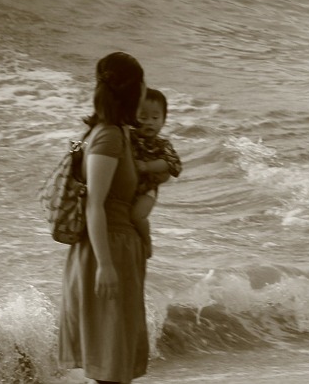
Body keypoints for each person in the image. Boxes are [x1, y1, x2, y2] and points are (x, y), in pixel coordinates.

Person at [58, 52, 150, 384]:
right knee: (110, 370)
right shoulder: (108, 136)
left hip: (116, 250)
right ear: (133, 89)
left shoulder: (118, 133)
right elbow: (93, 205)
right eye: (142, 83)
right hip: (105, 253)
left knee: (113, 369)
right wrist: (106, 264)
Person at [129, 88, 182, 258]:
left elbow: (173, 164)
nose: (149, 122)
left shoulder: (163, 145)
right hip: (127, 188)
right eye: (143, 117)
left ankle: (146, 241)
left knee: (137, 216)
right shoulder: (128, 136)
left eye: (155, 118)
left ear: (163, 120)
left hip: (148, 190)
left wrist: (148, 166)